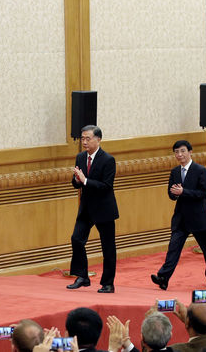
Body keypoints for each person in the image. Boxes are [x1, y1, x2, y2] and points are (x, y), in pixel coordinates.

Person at [151, 140, 206, 290]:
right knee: (173, 249)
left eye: (182, 151)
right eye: (176, 152)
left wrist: (184, 192)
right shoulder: (175, 172)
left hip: (198, 218)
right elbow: (171, 193)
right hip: (181, 218)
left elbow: (203, 193)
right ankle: (163, 278)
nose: (179, 155)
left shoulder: (200, 170)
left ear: (190, 152)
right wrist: (174, 193)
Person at [66, 125, 119, 293]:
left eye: (88, 139)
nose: (84, 142)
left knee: (108, 248)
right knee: (76, 239)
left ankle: (108, 283)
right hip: (86, 208)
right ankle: (82, 276)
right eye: (82, 139)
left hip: (104, 209)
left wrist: (86, 180)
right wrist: (77, 180)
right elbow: (76, 183)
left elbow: (106, 186)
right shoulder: (80, 157)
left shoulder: (108, 160)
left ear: (98, 139)